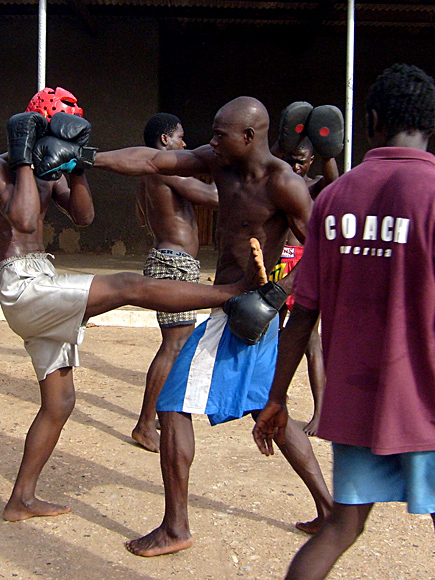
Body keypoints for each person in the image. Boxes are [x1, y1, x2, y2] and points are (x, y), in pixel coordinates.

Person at [253, 64, 435, 580]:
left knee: (342, 528)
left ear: (373, 120)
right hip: (430, 406)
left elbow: (303, 312)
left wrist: (276, 397)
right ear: (431, 124)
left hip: (355, 403)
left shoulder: (333, 200)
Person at [0, 88, 265, 523]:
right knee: (130, 285)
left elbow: (85, 217)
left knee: (60, 403)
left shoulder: (47, 168)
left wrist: (73, 167)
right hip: (21, 283)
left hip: (43, 280)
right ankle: (232, 293)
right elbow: (22, 219)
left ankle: (21, 498)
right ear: (37, 127)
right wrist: (21, 157)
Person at [93, 96, 333, 557]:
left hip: (244, 309)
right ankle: (329, 510)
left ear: (250, 136)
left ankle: (176, 527)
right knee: (271, 411)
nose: (213, 139)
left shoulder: (284, 184)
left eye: (222, 133)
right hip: (239, 305)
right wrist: (87, 157)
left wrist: (280, 293)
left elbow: (324, 251)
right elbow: (153, 160)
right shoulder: (219, 161)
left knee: (173, 402)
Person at [132, 112, 219, 453]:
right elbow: (211, 198)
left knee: (177, 344)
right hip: (173, 263)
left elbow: (143, 216)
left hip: (171, 260)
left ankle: (152, 416)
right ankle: (143, 424)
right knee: (174, 346)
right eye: (180, 137)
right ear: (165, 140)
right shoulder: (164, 168)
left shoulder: (147, 174)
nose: (184, 143)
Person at [271, 125, 341, 438]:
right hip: (277, 264)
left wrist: (327, 147)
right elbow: (264, 163)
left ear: (312, 160)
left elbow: (334, 181)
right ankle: (275, 398)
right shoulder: (279, 182)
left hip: (303, 264)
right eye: (292, 159)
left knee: (310, 340)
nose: (296, 166)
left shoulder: (311, 186)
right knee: (274, 332)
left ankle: (322, 411)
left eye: (302, 161)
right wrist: (281, 141)